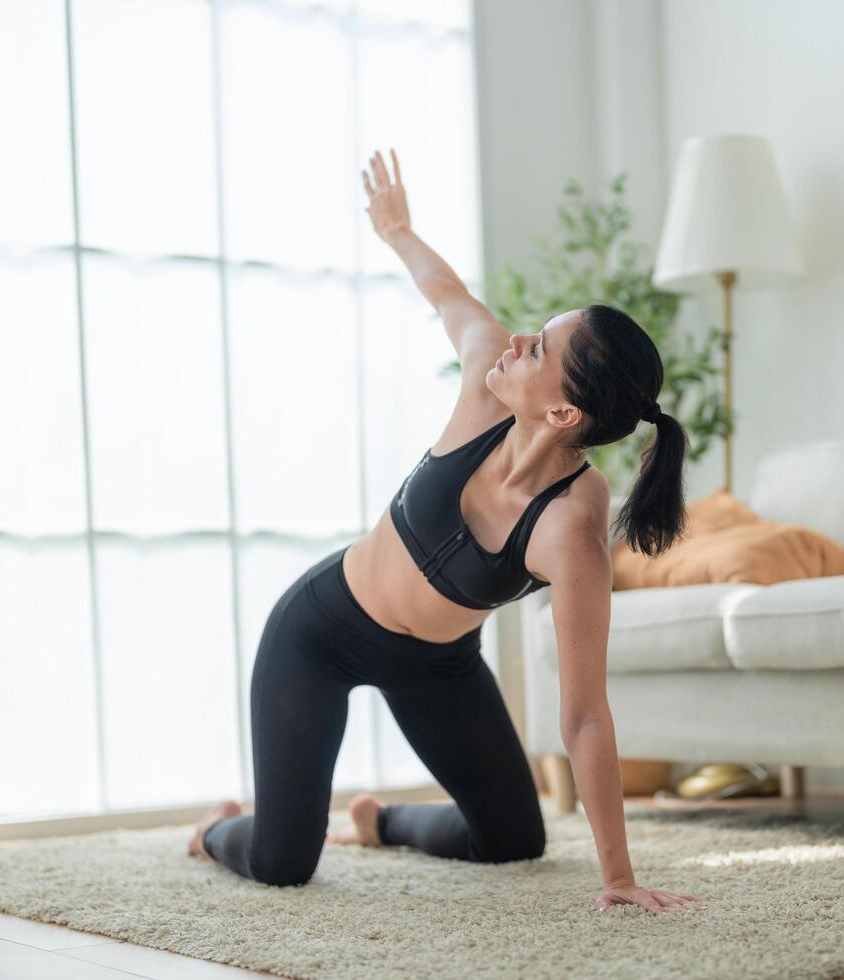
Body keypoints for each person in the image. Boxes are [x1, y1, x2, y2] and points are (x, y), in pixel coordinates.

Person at [187, 148, 702, 916]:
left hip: (437, 667)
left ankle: (381, 821)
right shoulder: (485, 384)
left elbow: (586, 712)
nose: (518, 342)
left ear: (564, 415)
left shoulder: (570, 526)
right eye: (535, 331)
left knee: (512, 841)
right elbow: (446, 292)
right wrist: (398, 230)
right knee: (282, 864)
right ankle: (212, 834)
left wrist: (618, 876)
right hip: (320, 633)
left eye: (541, 349)